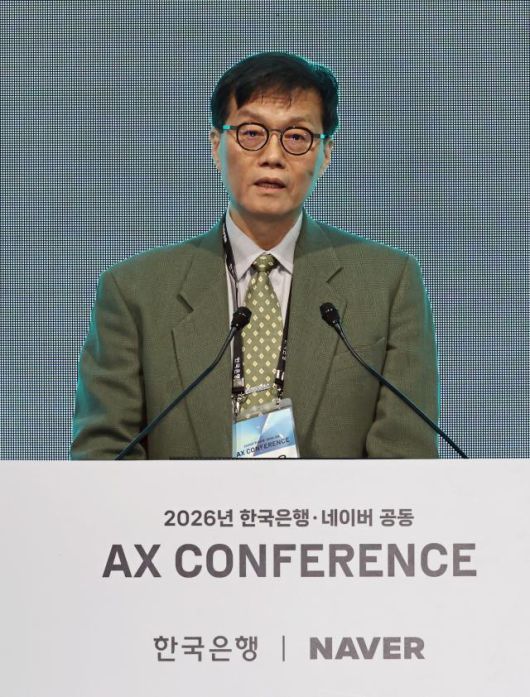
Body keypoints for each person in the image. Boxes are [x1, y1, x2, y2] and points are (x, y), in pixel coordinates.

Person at [71, 51, 439, 460]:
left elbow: (405, 461)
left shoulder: (388, 283)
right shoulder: (134, 291)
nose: (272, 156)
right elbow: (104, 455)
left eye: (296, 137)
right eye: (251, 133)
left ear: (326, 154)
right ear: (216, 146)